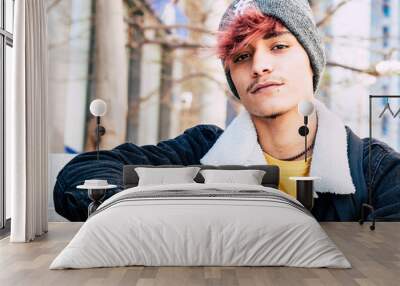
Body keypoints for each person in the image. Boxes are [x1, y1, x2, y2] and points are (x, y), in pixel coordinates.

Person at [54, 0, 400, 222]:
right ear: (232, 78)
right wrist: (148, 209)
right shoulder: (201, 149)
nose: (260, 65)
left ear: (311, 63)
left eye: (278, 46)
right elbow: (81, 175)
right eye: (241, 56)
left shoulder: (377, 171)